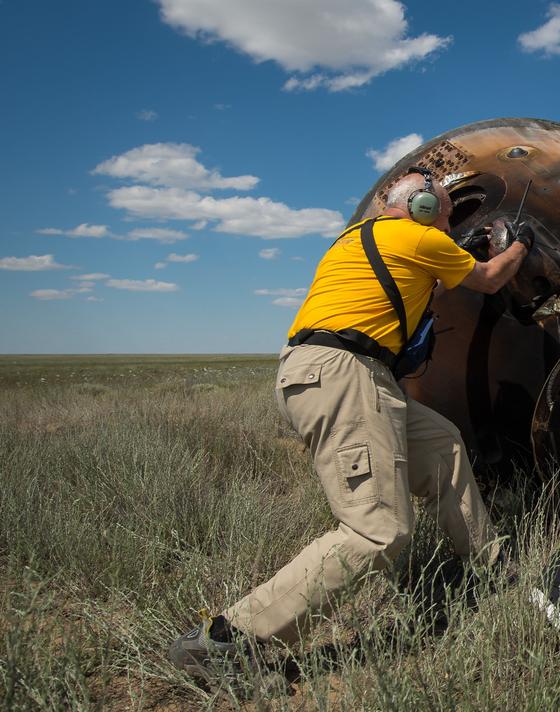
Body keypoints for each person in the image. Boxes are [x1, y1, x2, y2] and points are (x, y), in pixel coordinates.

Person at [168, 168, 532, 680]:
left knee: (444, 445)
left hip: (337, 372)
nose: (448, 226)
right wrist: (518, 246)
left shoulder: (355, 240)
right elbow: (491, 278)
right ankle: (225, 640)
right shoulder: (418, 236)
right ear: (423, 209)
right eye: (446, 214)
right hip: (345, 373)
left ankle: (490, 569)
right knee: (378, 530)